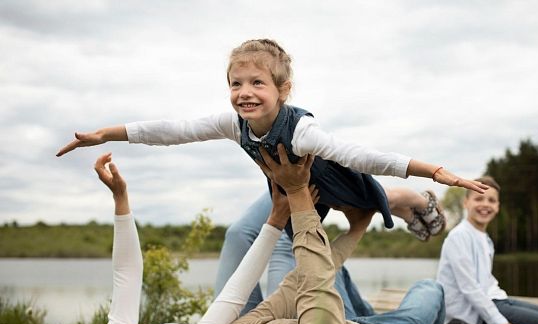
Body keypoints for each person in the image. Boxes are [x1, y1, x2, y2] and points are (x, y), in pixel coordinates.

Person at [56, 38, 489, 242]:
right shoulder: (234, 123)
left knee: (369, 200)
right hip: (289, 188)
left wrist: (433, 169)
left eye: (257, 83)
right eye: (236, 82)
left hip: (332, 177)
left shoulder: (301, 129)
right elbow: (175, 131)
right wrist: (106, 134)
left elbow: (359, 154)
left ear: (282, 91)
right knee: (307, 243)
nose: (244, 92)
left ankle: (416, 199)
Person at [3, 152, 309, 324]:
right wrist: (275, 220)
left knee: (236, 236)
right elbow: (231, 300)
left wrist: (120, 200)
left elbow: (126, 275)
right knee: (288, 250)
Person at [156, 145, 446, 324]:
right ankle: (397, 199)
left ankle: (385, 201)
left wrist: (357, 228)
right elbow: (316, 289)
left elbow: (293, 289)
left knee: (321, 265)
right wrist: (298, 196)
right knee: (429, 289)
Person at [436, 176, 538, 324]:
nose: (485, 204)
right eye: (479, 198)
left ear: (497, 206)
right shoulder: (459, 236)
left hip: (496, 299)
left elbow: (485, 281)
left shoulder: (484, 238)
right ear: (466, 202)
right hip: (471, 312)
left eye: (491, 200)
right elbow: (469, 288)